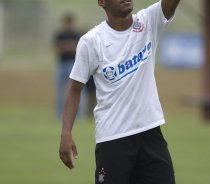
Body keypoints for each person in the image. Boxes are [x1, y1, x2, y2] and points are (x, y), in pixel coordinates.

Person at [59, 0, 180, 184]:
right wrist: (66, 134)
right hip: (113, 139)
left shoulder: (148, 22)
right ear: (102, 2)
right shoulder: (91, 41)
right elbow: (75, 90)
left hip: (150, 133)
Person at [53, 13, 85, 118]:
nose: (68, 25)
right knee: (60, 91)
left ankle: (79, 114)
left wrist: (66, 47)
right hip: (61, 64)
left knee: (77, 89)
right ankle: (59, 114)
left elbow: (78, 48)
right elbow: (56, 48)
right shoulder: (60, 34)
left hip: (73, 65)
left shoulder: (76, 35)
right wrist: (69, 46)